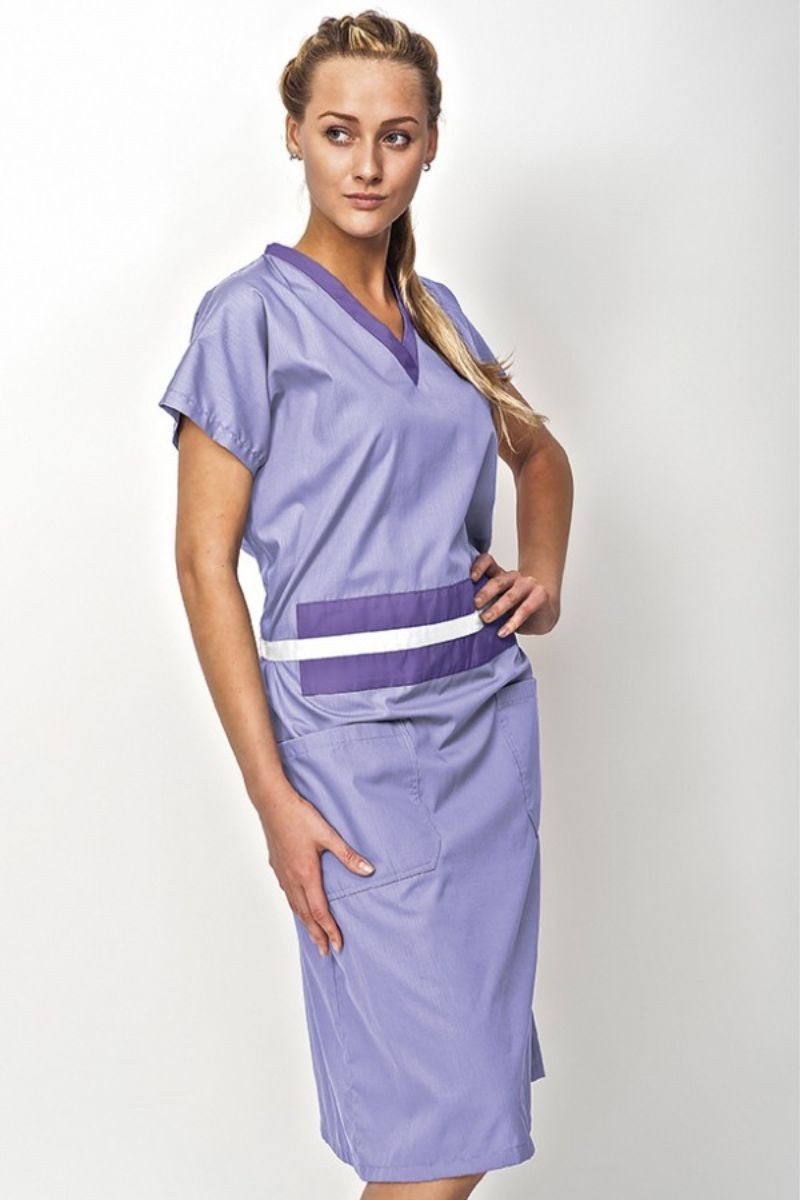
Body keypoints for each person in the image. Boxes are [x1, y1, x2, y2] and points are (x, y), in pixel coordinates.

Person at [157, 11, 573, 1198]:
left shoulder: (435, 313)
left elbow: (538, 457)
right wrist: (273, 801)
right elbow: (203, 565)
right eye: (339, 132)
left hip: (481, 733)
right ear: (294, 134)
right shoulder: (247, 320)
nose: (367, 164)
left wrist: (540, 581)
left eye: (395, 136)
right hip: (347, 756)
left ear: (430, 144)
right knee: (424, 1131)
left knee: (466, 1115)